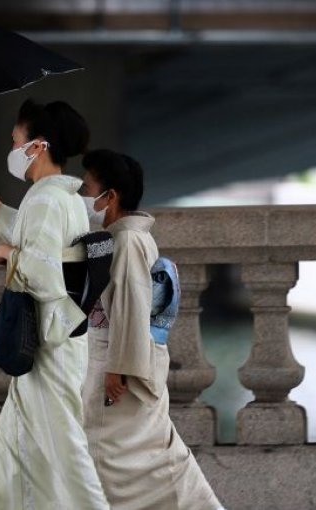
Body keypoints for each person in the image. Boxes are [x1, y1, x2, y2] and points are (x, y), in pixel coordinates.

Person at [0, 99, 109, 510]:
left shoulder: (46, 200)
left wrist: (5, 255)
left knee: (62, 453)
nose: (12, 149)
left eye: (16, 141)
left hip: (50, 351)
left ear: (37, 146)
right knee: (17, 452)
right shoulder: (56, 197)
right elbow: (29, 232)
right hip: (55, 344)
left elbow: (44, 273)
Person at [79, 149, 223, 510]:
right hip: (132, 356)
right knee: (151, 454)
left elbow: (129, 305)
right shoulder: (129, 237)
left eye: (86, 186)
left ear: (110, 196)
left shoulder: (125, 240)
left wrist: (117, 368)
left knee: (110, 458)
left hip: (117, 362)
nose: (81, 194)